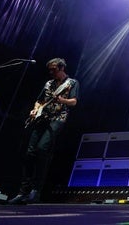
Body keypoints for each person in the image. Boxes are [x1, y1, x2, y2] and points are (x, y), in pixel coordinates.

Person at [8, 58, 79, 204]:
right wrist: (35, 109)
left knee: (42, 149)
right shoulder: (49, 83)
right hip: (42, 118)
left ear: (61, 68)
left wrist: (62, 100)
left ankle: (36, 191)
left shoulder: (72, 83)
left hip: (58, 119)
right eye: (50, 70)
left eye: (54, 69)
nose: (51, 72)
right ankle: (23, 191)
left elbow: (74, 101)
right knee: (29, 152)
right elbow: (39, 100)